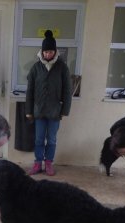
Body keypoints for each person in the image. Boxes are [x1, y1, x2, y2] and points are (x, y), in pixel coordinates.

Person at [25, 30, 72, 176]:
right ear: (42, 52)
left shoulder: (62, 68)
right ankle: (38, 163)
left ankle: (49, 163)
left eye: (51, 51)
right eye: (46, 52)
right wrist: (29, 110)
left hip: (54, 112)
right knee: (39, 139)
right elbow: (30, 91)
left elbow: (67, 90)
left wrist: (64, 110)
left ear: (55, 52)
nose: (48, 54)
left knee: (51, 140)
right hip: (39, 111)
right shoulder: (35, 68)